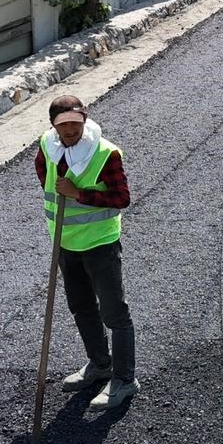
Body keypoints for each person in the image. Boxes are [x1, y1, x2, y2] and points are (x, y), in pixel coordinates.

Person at [34, 95, 138, 410]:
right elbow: (43, 174)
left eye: (75, 124)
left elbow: (121, 198)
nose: (70, 130)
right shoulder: (48, 146)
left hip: (100, 243)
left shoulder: (105, 153)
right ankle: (100, 364)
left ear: (84, 120)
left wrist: (78, 194)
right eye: (63, 125)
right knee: (81, 306)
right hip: (65, 243)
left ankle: (124, 379)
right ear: (53, 126)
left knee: (114, 312)